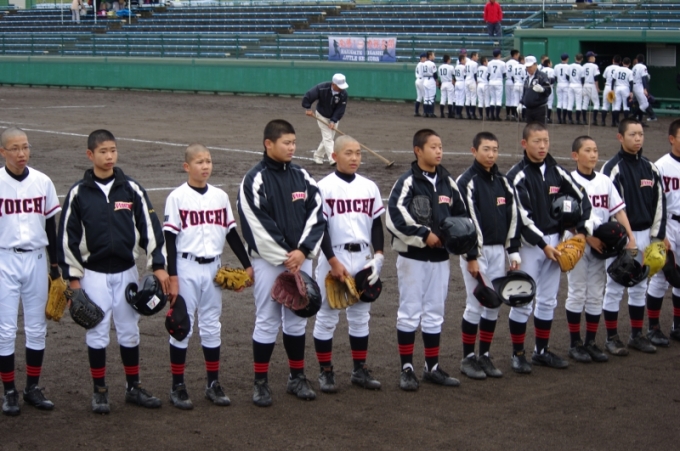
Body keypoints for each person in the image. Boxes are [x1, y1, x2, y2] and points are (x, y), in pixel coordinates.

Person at [58, 129, 169, 414]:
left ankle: (133, 388)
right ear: (90, 155)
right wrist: (73, 280)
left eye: (113, 150)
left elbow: (151, 228)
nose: (109, 156)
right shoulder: (78, 193)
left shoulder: (131, 188)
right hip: (92, 274)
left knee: (129, 331)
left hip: (126, 272)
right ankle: (100, 392)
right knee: (96, 331)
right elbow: (67, 238)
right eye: (103, 151)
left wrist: (158, 266)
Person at [238, 120, 325, 407]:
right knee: (267, 319)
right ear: (268, 144)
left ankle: (296, 377)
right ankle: (260, 383)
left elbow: (317, 214)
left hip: (300, 259)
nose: (292, 148)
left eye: (294, 142)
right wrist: (288, 256)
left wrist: (303, 251)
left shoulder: (303, 176)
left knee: (297, 319)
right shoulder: (255, 179)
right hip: (269, 261)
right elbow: (256, 224)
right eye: (286, 142)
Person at [163, 144, 253, 410]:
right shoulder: (177, 197)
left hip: (214, 267)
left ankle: (213, 383)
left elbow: (231, 233)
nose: (205, 166)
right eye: (199, 162)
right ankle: (177, 386)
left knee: (212, 325)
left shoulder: (220, 196)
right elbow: (169, 239)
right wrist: (173, 277)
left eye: (209, 161)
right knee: (181, 326)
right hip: (185, 267)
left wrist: (247, 265)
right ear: (187, 166)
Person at [386, 129, 468, 391]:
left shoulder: (448, 182)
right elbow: (394, 215)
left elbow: (462, 215)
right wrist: (424, 234)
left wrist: (456, 239)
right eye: (433, 147)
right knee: (410, 312)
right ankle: (407, 369)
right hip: (413, 258)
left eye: (440, 146)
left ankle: (432, 367)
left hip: (441, 258)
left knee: (435, 312)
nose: (439, 151)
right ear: (418, 151)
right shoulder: (407, 181)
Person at [507, 122, 592, 373]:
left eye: (546, 141)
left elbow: (582, 198)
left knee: (548, 300)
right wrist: (543, 245)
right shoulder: (516, 176)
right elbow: (521, 217)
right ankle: (518, 354)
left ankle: (541, 351)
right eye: (537, 141)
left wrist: (581, 231)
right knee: (523, 300)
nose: (542, 146)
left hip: (556, 242)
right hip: (530, 246)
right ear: (524, 143)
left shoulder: (558, 171)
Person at [313, 135, 384, 394]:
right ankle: (325, 371)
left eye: (358, 153)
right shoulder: (323, 187)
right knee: (327, 316)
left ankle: (359, 370)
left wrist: (379, 255)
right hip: (334, 256)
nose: (354, 158)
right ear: (334, 156)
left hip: (363, 257)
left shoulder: (369, 187)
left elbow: (376, 224)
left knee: (361, 316)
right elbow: (319, 228)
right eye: (348, 153)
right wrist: (332, 261)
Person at [0, 128, 60, 416]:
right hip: (4, 260)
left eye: (25, 147)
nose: (21, 153)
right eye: (14, 148)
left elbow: (51, 227)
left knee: (37, 328)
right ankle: (9, 392)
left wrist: (55, 268)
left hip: (36, 260)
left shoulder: (42, 181)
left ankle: (32, 388)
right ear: (3, 152)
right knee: (5, 330)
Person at [456, 131, 521, 380]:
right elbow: (467, 221)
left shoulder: (503, 182)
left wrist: (512, 251)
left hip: (498, 251)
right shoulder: (466, 182)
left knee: (494, 303)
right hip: (476, 252)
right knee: (475, 304)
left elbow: (512, 217)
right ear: (474, 151)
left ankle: (484, 355)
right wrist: (472, 255)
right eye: (486, 149)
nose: (491, 154)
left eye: (495, 149)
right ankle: (468, 358)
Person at [565, 136, 636, 363]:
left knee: (596, 293)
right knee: (577, 292)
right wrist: (588, 238)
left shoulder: (604, 181)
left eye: (595, 150)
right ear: (575, 155)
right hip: (576, 244)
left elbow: (619, 211)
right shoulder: (568, 181)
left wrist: (631, 238)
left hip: (601, 246)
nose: (593, 154)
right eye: (588, 150)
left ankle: (591, 342)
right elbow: (563, 217)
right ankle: (575, 344)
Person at [601, 118, 666, 355]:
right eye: (632, 134)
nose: (638, 138)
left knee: (640, 285)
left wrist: (657, 237)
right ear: (620, 137)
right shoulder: (612, 168)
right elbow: (609, 207)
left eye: (640, 134)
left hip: (646, 234)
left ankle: (636, 335)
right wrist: (621, 239)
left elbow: (659, 204)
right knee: (615, 286)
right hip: (622, 238)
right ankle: (611, 338)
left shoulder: (651, 168)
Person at [647, 119, 680, 344]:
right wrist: (660, 234)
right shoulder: (660, 166)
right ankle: (653, 327)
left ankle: (678, 325)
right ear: (671, 139)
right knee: (661, 276)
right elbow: (653, 203)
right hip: (667, 225)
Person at [303, 74, 349, 166]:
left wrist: (333, 120)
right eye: (339, 86)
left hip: (334, 117)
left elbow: (340, 109)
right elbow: (308, 96)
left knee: (329, 138)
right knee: (328, 138)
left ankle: (318, 155)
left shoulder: (344, 94)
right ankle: (333, 160)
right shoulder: (322, 88)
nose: (341, 89)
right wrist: (308, 108)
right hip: (321, 115)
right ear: (333, 84)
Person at [518, 56, 552, 125]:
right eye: (527, 67)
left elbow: (548, 90)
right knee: (530, 129)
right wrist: (521, 103)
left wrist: (542, 89)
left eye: (530, 67)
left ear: (535, 65)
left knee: (540, 129)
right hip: (529, 110)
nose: (528, 69)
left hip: (539, 109)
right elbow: (525, 93)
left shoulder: (542, 76)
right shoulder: (527, 78)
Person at [631, 54, 658, 122]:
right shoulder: (643, 66)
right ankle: (633, 116)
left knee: (642, 104)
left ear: (637, 60)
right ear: (643, 60)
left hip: (634, 85)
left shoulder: (634, 67)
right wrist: (645, 88)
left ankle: (639, 120)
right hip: (639, 86)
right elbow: (644, 78)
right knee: (645, 104)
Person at [610, 57, 633, 127]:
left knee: (617, 106)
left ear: (622, 62)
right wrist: (631, 91)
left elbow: (613, 80)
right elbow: (631, 82)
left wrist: (612, 89)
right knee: (626, 106)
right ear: (629, 64)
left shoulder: (617, 69)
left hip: (617, 87)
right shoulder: (630, 71)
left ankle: (617, 122)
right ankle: (626, 123)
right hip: (625, 88)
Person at [581, 51, 601, 125]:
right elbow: (596, 78)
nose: (594, 58)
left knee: (585, 103)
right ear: (590, 57)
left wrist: (583, 86)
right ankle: (594, 120)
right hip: (592, 85)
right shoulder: (595, 66)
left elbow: (582, 78)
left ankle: (584, 120)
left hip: (585, 84)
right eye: (593, 56)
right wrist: (597, 87)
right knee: (596, 103)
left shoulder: (584, 66)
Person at [601, 55, 621, 127]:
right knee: (615, 105)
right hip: (615, 87)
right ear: (620, 62)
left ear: (613, 60)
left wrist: (605, 84)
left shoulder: (608, 68)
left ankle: (603, 121)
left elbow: (603, 78)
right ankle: (613, 122)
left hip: (607, 86)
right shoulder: (620, 69)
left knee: (605, 105)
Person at [487, 49, 506, 121]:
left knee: (492, 99)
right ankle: (497, 116)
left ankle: (492, 116)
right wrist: (500, 79)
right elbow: (504, 74)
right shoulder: (502, 63)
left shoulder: (489, 63)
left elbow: (488, 74)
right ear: (499, 54)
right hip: (498, 81)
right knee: (498, 100)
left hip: (491, 81)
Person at [567, 53, 585, 125]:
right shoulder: (581, 68)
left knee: (570, 102)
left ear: (575, 58)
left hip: (571, 84)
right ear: (582, 59)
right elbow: (583, 79)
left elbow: (567, 76)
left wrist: (570, 81)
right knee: (578, 103)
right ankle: (577, 120)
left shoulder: (570, 66)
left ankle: (570, 119)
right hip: (578, 85)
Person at [553, 54, 570, 125]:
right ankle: (564, 119)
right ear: (567, 59)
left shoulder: (556, 66)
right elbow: (568, 77)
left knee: (559, 102)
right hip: (566, 84)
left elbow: (555, 77)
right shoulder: (568, 66)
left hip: (559, 84)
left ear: (561, 58)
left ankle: (559, 119)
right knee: (565, 102)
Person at [421, 51, 438, 118]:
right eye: (433, 55)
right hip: (430, 80)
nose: (434, 56)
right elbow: (435, 74)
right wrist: (437, 81)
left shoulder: (423, 63)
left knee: (426, 98)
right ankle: (431, 113)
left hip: (425, 80)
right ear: (430, 56)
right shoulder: (432, 64)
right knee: (431, 98)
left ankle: (425, 112)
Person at [438, 54, 455, 119]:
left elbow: (439, 76)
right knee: (450, 99)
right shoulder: (451, 67)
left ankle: (442, 114)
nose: (450, 60)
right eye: (450, 59)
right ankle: (450, 114)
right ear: (448, 60)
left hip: (443, 83)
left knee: (443, 99)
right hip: (449, 83)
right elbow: (454, 76)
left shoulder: (440, 67)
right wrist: (454, 81)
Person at [505, 49, 520, 120]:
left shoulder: (507, 62)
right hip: (514, 81)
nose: (518, 56)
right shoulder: (517, 63)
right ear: (515, 55)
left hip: (507, 81)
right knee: (514, 99)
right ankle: (514, 115)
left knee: (508, 99)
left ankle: (508, 115)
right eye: (518, 55)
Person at [539, 58, 556, 124]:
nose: (551, 64)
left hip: (542, 88)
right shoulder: (552, 70)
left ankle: (542, 117)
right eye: (550, 63)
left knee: (542, 103)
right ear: (548, 64)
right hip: (549, 88)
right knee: (549, 103)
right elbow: (553, 80)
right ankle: (548, 118)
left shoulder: (541, 70)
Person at [464, 52, 479, 120]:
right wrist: (476, 81)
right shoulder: (475, 64)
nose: (477, 57)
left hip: (466, 81)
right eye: (477, 56)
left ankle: (468, 114)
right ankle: (473, 114)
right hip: (472, 81)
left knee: (467, 98)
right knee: (473, 98)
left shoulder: (466, 63)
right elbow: (475, 74)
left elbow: (464, 74)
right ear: (473, 56)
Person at [453, 54, 467, 120]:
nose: (465, 60)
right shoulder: (464, 67)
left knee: (457, 99)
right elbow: (465, 76)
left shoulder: (456, 67)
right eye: (465, 59)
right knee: (461, 99)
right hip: (461, 82)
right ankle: (459, 113)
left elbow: (454, 76)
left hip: (457, 82)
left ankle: (457, 113)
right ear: (462, 60)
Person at [414, 53, 427, 117]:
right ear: (421, 58)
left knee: (419, 97)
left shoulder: (418, 64)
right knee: (425, 96)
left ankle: (416, 112)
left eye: (425, 57)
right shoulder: (422, 64)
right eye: (424, 58)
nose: (425, 59)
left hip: (417, 80)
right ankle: (425, 112)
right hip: (421, 80)